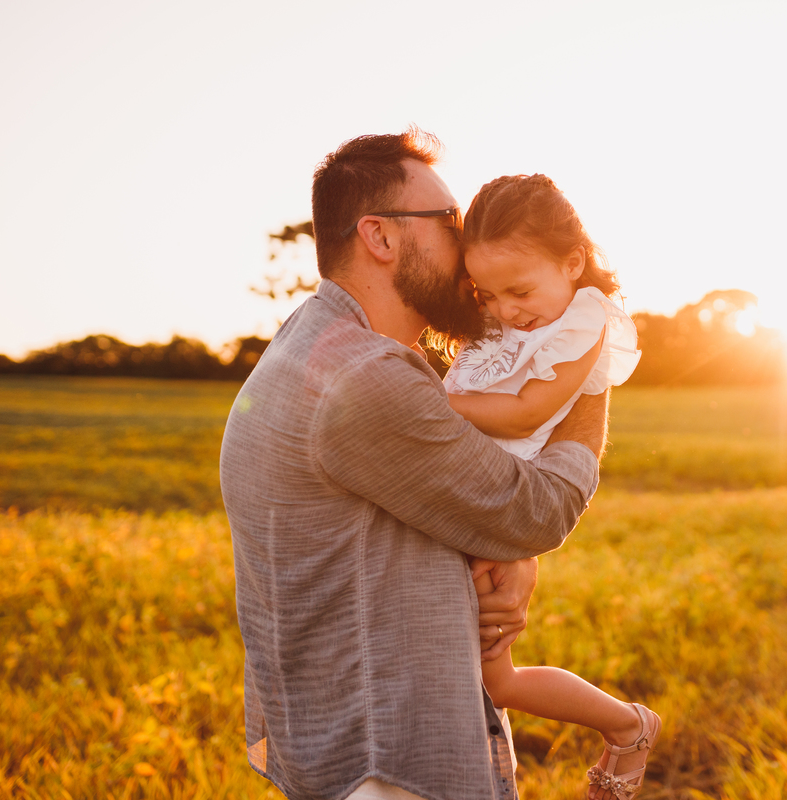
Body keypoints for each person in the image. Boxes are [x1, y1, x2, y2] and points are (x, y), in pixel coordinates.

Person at [219, 130, 610, 800]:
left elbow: (427, 507)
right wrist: (591, 378)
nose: (465, 246)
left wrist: (505, 558)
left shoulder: (313, 341)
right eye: (449, 222)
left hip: (352, 743)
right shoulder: (364, 377)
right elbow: (533, 512)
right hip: (393, 760)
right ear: (381, 237)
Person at [443, 174, 659, 800]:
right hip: (472, 489)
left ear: (573, 262)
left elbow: (524, 414)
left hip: (514, 490)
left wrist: (429, 400)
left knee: (494, 677)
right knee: (491, 680)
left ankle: (629, 725)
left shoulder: (584, 319)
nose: (507, 308)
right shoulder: (508, 316)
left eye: (519, 289)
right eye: (489, 292)